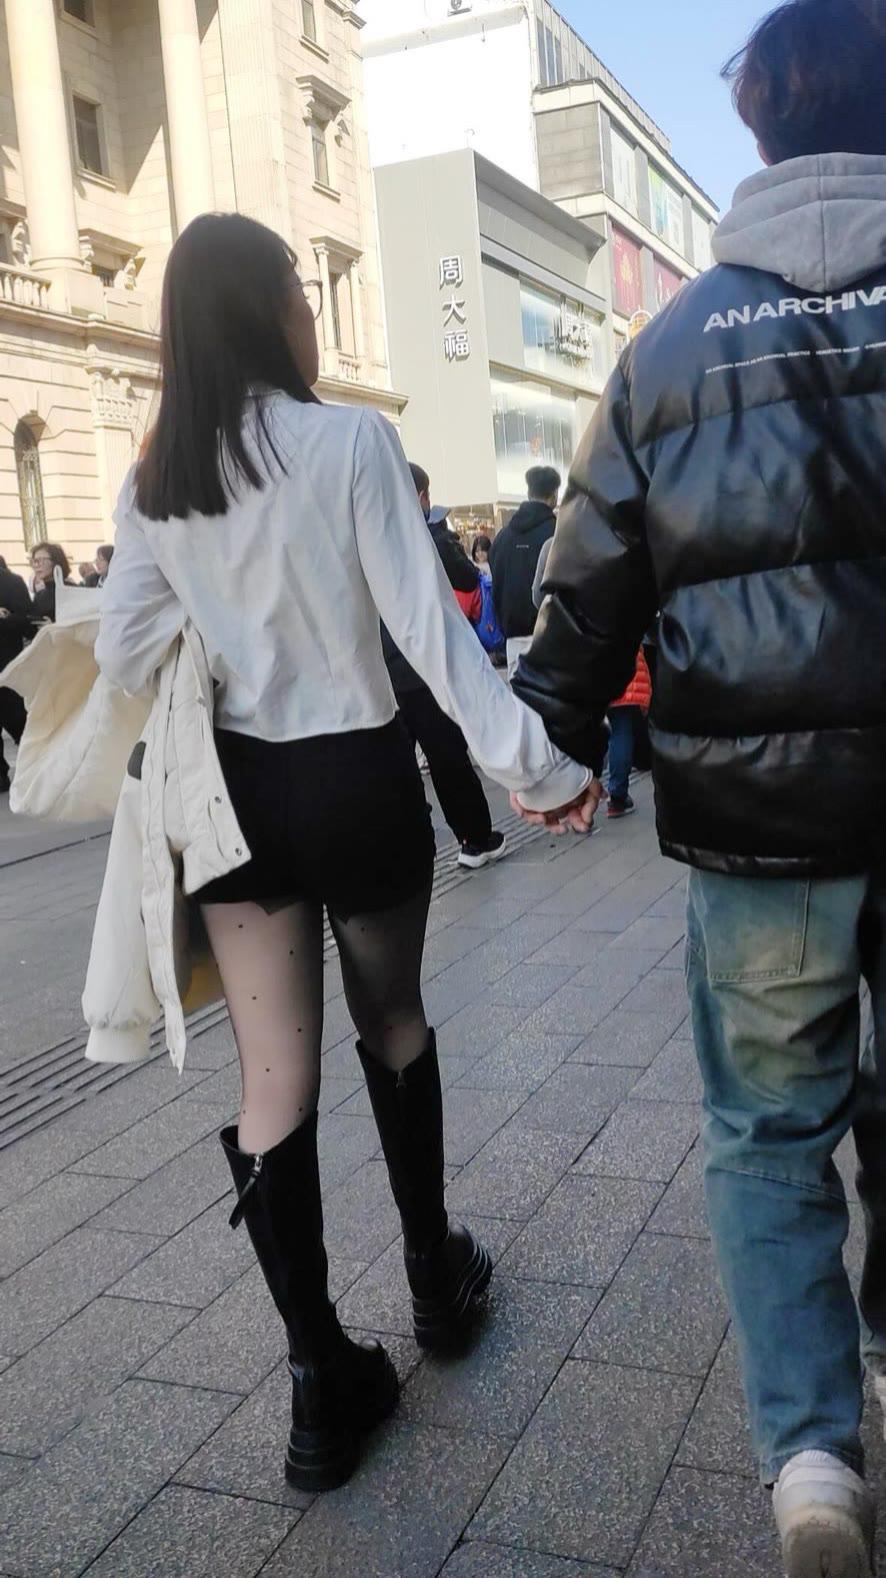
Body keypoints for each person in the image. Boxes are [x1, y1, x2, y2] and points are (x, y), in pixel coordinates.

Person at [95, 212, 598, 1495]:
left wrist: (220, 610)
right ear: (267, 309)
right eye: (300, 291)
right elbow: (429, 637)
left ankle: (320, 1379)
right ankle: (434, 1277)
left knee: (273, 1080)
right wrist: (538, 772)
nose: (312, 313)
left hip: (235, 801)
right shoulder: (350, 443)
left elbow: (122, 651)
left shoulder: (157, 479)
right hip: (355, 779)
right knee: (394, 1022)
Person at [512, 1, 886, 1571]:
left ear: (757, 125)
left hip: (761, 825)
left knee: (767, 1132)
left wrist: (550, 738)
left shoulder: (664, 350)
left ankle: (810, 1457)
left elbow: (590, 574)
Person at [381, 465, 509, 870]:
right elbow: (468, 578)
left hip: (381, 670)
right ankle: (475, 839)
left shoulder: (369, 529)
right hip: (424, 667)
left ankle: (404, 847)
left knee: (396, 765)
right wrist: (439, 533)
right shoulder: (427, 536)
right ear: (421, 497)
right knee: (447, 755)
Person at [489, 464, 560, 679]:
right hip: (551, 637)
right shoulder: (559, 533)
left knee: (518, 698)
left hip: (513, 639)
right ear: (554, 495)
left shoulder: (502, 538)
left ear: (529, 493)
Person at [605, 648, 651, 820]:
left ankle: (582, 800)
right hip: (624, 675)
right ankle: (617, 797)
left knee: (588, 735)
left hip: (590, 674)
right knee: (621, 732)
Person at [0, 556, 30, 792]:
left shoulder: (11, 582)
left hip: (7, 666)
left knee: (19, 721)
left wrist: (6, 618)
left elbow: (26, 621)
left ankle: (36, 767)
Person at [28, 543, 75, 622]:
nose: (36, 565)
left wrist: (53, 625)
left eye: (41, 560)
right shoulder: (39, 596)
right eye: (35, 561)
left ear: (55, 561)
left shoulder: (72, 590)